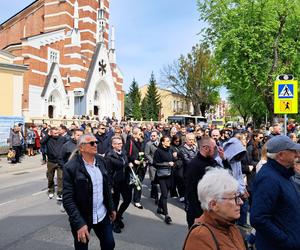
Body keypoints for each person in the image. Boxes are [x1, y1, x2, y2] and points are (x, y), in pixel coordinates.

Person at [63, 133, 116, 250]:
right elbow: (67, 199)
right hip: (83, 218)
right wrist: (79, 224)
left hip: (102, 215)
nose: (95, 145)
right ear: (81, 147)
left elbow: (106, 187)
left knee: (109, 244)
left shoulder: (101, 161)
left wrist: (111, 208)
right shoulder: (71, 167)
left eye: (96, 142)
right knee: (82, 247)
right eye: (91, 143)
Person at [250, 135, 300, 250]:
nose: (297, 155)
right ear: (281, 155)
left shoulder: (283, 174)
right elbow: (258, 218)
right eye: (293, 151)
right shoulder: (269, 178)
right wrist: (286, 241)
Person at [183, 168, 246, 250]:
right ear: (214, 205)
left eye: (239, 197)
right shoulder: (200, 237)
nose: (241, 202)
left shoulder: (230, 226)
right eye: (235, 198)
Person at [185, 136, 227, 228]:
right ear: (206, 148)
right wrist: (198, 216)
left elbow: (227, 176)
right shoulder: (194, 165)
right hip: (199, 214)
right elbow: (191, 192)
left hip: (211, 211)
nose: (216, 150)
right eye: (214, 147)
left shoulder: (212, 161)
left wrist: (224, 159)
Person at [105, 136, 131, 234]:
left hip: (124, 181)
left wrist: (129, 164)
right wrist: (110, 186)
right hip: (115, 183)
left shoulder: (123, 152)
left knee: (128, 199)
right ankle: (114, 222)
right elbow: (108, 173)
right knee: (114, 203)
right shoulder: (109, 155)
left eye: (121, 143)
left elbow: (125, 163)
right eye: (117, 143)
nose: (120, 145)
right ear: (113, 145)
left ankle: (119, 216)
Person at [153, 136, 175, 224]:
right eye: (167, 141)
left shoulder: (170, 150)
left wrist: (175, 159)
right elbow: (155, 163)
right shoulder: (158, 151)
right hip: (161, 175)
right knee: (165, 194)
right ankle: (166, 215)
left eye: (169, 141)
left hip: (170, 175)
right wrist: (167, 164)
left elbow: (173, 160)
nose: (169, 142)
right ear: (162, 142)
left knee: (165, 193)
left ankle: (159, 207)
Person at [41, 127, 66, 200]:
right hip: (51, 162)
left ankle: (60, 193)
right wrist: (48, 135)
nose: (56, 134)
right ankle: (51, 190)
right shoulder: (48, 138)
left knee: (60, 178)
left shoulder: (62, 138)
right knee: (50, 177)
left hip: (60, 162)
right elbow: (41, 142)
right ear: (51, 133)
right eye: (54, 133)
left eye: (57, 133)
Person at [144, 130, 159, 202]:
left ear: (157, 136)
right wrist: (152, 161)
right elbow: (147, 154)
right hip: (152, 164)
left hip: (160, 164)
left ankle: (153, 193)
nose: (152, 137)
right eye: (151, 135)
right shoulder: (148, 144)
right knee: (153, 179)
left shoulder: (160, 143)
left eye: (154, 136)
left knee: (158, 179)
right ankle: (156, 196)